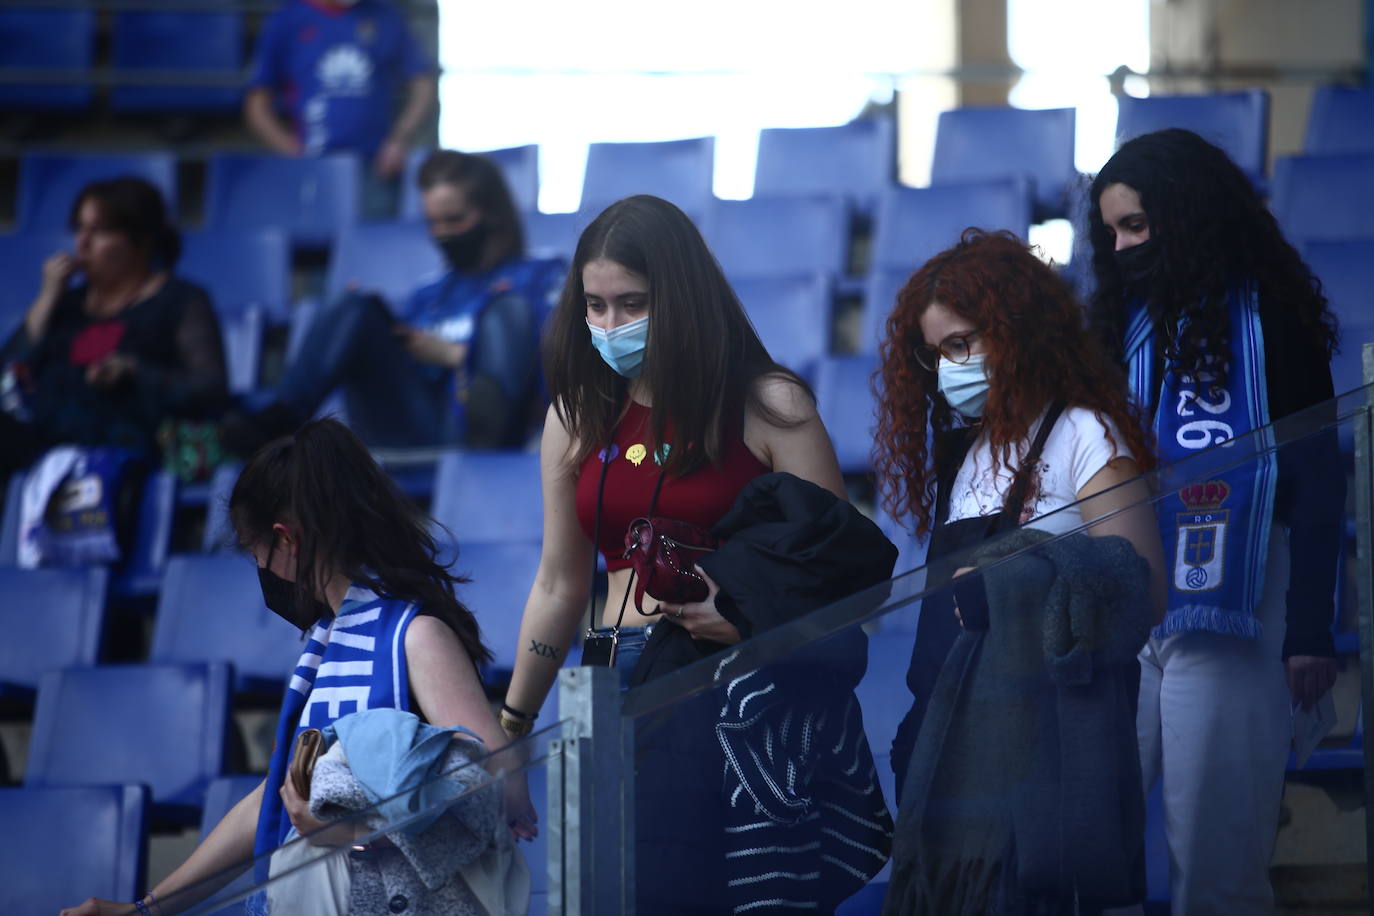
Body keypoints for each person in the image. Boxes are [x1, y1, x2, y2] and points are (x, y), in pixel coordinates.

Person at [498, 195, 865, 911]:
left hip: (727, 681)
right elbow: (558, 583)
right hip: (606, 679)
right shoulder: (575, 414)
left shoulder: (769, 403)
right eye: (594, 305)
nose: (608, 325)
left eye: (630, 303)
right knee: (608, 892)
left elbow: (840, 567)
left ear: (681, 295)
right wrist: (512, 727)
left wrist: (748, 623)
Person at [60, 418, 529, 916]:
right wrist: (146, 909)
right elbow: (277, 805)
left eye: (256, 552)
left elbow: (503, 789)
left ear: (286, 540)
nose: (261, 572)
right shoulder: (329, 641)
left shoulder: (412, 635)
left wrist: (354, 832)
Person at [1087, 128, 1345, 915]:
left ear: (1187, 214)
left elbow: (1316, 476)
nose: (1124, 246)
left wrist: (1308, 632)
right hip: (1127, 609)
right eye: (1112, 233)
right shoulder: (1114, 324)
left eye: (1137, 226)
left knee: (1215, 864)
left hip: (1237, 602)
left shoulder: (1272, 318)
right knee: (1091, 845)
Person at [873, 229, 1167, 913]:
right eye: (938, 351)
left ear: (1019, 333)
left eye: (964, 343)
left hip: (1045, 748)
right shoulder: (964, 454)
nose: (951, 367)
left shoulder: (1085, 435)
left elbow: (1143, 589)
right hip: (952, 744)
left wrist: (1010, 579)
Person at [222, 150, 563, 453]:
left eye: (454, 219)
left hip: (504, 430)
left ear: (491, 213)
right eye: (433, 222)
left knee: (509, 310)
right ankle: (281, 421)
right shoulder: (428, 293)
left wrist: (455, 356)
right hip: (424, 423)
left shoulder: (542, 275)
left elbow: (557, 365)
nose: (441, 233)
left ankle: (485, 450)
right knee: (355, 306)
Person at [0, 176, 227, 474]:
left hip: (132, 447)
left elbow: (211, 389)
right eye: (79, 229)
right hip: (43, 445)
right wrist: (46, 298)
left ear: (139, 241)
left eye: (98, 231)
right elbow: (8, 379)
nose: (82, 243)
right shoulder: (63, 304)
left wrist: (133, 371)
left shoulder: (180, 300)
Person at [244, 0, 436, 218]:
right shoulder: (287, 19)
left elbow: (424, 84)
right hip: (313, 167)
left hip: (374, 166)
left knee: (372, 245)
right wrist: (292, 151)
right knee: (312, 246)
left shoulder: (386, 15)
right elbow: (257, 105)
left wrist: (399, 139)